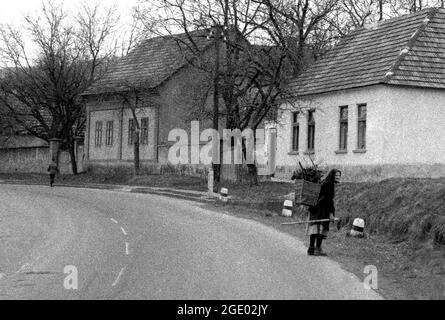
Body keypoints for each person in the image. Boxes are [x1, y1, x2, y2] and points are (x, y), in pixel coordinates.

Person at [307, 169, 341, 256]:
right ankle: (318, 249)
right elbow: (328, 200)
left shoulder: (323, 182)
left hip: (314, 208)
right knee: (321, 228)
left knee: (314, 227)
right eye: (336, 175)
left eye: (339, 175)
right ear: (332, 175)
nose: (338, 177)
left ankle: (311, 249)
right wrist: (331, 213)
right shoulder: (329, 184)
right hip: (322, 209)